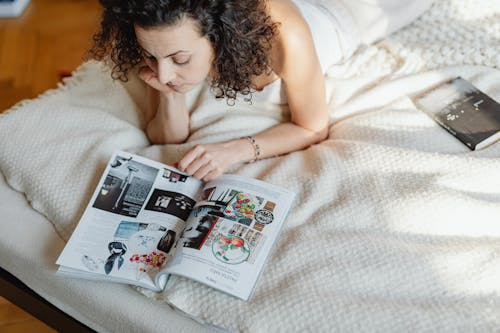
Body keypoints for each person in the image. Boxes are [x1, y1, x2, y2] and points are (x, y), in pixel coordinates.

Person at [90, 0, 434, 181]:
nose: (162, 72)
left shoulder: (285, 39)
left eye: (179, 59)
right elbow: (167, 139)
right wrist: (169, 94)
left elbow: (312, 126)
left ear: (218, 34)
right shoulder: (165, 40)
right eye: (151, 55)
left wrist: (233, 151)